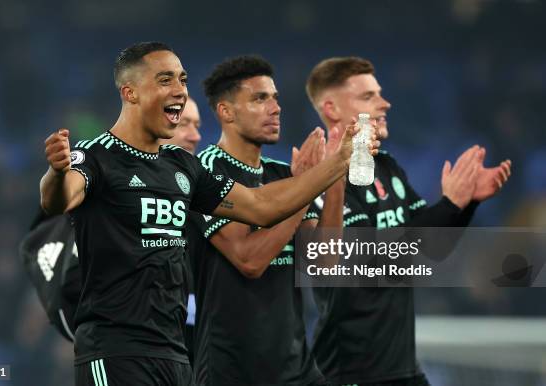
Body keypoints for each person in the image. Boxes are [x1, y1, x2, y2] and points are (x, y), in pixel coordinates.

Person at [39, 42, 363, 386]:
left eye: (182, 80)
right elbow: (59, 199)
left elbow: (261, 207)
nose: (179, 91)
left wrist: (338, 163)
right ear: (130, 92)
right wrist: (56, 173)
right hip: (116, 350)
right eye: (165, 80)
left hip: (175, 354)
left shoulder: (183, 167)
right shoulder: (96, 156)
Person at [305, 56, 512, 386]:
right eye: (368, 96)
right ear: (331, 108)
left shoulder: (388, 168)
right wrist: (449, 205)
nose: (384, 103)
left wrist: (466, 203)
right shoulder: (320, 179)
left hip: (402, 369)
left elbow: (432, 249)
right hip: (350, 373)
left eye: (380, 93)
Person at [190, 55, 369, 386]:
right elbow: (249, 260)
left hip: (296, 366)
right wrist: (301, 194)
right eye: (260, 98)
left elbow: (321, 263)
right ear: (226, 112)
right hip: (234, 369)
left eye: (275, 97)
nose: (275, 108)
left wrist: (334, 178)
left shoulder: (282, 173)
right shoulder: (207, 171)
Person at [20, 96, 203, 354]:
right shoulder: (113, 189)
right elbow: (71, 291)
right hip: (124, 353)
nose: (195, 136)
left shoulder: (197, 192)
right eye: (183, 123)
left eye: (197, 126)